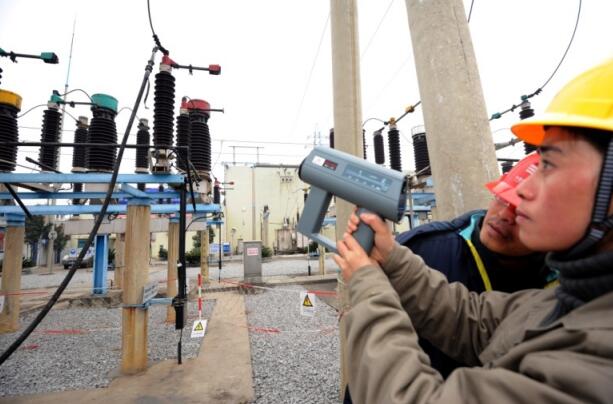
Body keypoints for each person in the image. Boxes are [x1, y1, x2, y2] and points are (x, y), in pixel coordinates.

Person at [334, 59, 613, 403]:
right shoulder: (566, 302)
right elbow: (475, 321)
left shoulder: (595, 360)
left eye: (549, 164)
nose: (522, 193)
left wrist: (368, 285)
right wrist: (391, 260)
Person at [394, 153, 554, 378]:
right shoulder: (421, 252)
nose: (504, 216)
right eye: (502, 199)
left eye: (521, 212)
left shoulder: (568, 285)